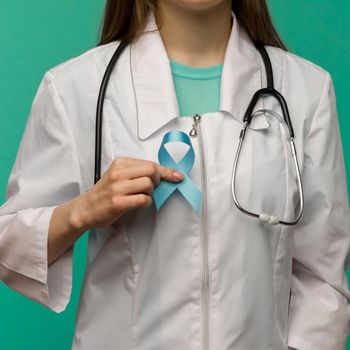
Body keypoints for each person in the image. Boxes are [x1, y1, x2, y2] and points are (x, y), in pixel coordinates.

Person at [0, 0, 349, 349]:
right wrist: (81, 211)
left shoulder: (306, 91)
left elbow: (323, 281)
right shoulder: (76, 88)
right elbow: (9, 242)